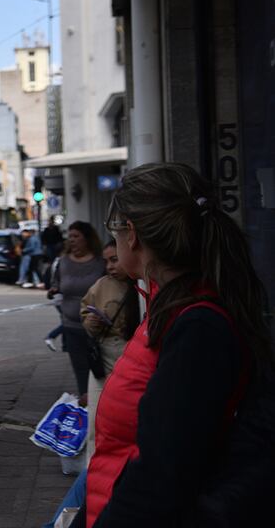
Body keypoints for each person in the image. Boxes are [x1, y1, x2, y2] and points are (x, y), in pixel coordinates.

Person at [72, 163, 272, 527]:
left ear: (130, 234)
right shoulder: (172, 308)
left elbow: (161, 474)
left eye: (113, 231)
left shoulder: (197, 326)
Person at [80, 239, 140, 461]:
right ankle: (91, 475)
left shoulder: (145, 285)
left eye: (115, 260)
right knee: (96, 421)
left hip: (133, 364)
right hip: (103, 363)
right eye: (106, 261)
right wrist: (91, 322)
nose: (110, 266)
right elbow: (86, 312)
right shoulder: (101, 286)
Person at [47, 221, 104, 402]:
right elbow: (56, 283)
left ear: (87, 238)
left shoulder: (100, 262)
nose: (71, 240)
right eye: (69, 236)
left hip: (97, 328)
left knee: (100, 370)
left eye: (76, 236)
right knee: (80, 370)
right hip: (71, 326)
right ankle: (86, 407)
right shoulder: (63, 262)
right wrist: (54, 290)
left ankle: (102, 404)